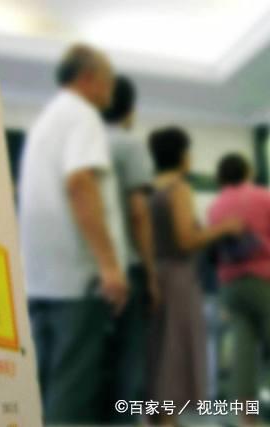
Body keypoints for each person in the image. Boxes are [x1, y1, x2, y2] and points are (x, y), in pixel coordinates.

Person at [19, 44, 127, 425]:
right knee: (73, 388)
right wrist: (109, 265)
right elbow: (80, 183)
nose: (111, 89)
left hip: (42, 279)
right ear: (88, 78)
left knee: (45, 385)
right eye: (109, 80)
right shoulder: (83, 116)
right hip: (76, 279)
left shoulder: (47, 121)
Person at [146, 128, 242, 423]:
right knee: (177, 353)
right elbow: (186, 240)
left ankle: (160, 417)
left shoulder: (148, 189)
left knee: (160, 352)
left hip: (156, 273)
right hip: (179, 278)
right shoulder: (178, 189)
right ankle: (169, 419)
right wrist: (224, 228)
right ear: (183, 155)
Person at [101, 75, 159, 423]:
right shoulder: (129, 146)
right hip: (126, 266)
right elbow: (139, 214)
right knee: (129, 362)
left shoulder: (81, 145)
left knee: (98, 365)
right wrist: (151, 274)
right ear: (130, 110)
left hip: (86, 271)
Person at [208, 153, 270, 423]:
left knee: (243, 353)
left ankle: (248, 420)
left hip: (230, 285)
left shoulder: (215, 206)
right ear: (248, 171)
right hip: (263, 280)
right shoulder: (263, 197)